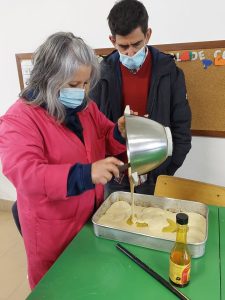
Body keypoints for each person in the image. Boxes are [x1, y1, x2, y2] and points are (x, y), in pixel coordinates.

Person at [0, 32, 126, 289]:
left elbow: (102, 135)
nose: (80, 92)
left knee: (90, 285)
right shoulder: (21, 118)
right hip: (52, 232)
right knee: (58, 288)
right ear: (47, 79)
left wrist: (118, 132)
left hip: (90, 219)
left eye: (85, 84)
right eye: (72, 84)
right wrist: (85, 174)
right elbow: (26, 174)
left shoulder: (85, 108)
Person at [89, 0, 192, 196]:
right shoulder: (101, 75)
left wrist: (165, 172)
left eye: (136, 44)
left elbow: (182, 130)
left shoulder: (170, 73)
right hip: (114, 174)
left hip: (156, 175)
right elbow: (92, 129)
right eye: (123, 46)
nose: (130, 52)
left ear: (148, 34)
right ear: (112, 40)